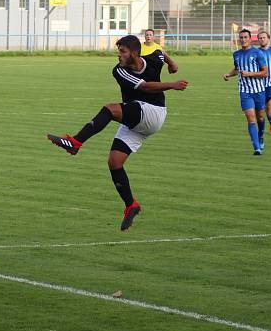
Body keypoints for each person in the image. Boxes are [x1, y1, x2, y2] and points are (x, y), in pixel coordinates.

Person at [46, 35, 188, 231]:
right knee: (114, 162)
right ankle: (131, 205)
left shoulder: (153, 58)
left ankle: (76, 143)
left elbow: (161, 54)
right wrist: (172, 83)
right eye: (118, 51)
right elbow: (145, 86)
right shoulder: (119, 71)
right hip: (138, 117)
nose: (118, 55)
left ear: (135, 53)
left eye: (122, 51)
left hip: (153, 112)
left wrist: (173, 64)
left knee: (111, 109)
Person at [224, 29, 268, 155]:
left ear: (250, 39)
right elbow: (237, 69)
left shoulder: (257, 53)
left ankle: (260, 137)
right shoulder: (236, 54)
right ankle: (256, 147)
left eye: (245, 37)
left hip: (259, 90)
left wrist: (250, 74)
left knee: (260, 117)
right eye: (241, 37)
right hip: (244, 91)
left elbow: (265, 72)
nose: (243, 40)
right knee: (250, 118)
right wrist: (228, 74)